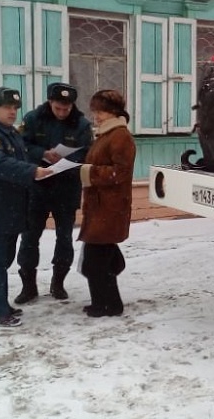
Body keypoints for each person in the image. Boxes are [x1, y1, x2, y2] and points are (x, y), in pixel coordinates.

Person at [0, 87, 52, 327]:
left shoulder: (9, 133)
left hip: (8, 210)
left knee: (3, 259)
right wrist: (33, 171)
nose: (13, 112)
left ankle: (1, 305)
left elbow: (18, 161)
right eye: (7, 107)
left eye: (15, 108)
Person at [14, 82, 93, 304]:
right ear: (50, 102)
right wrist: (42, 153)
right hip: (36, 187)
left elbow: (88, 152)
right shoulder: (33, 118)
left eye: (66, 109)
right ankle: (28, 286)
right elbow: (21, 145)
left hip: (66, 189)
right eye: (58, 108)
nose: (62, 112)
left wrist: (68, 160)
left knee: (64, 238)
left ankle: (58, 283)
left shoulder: (81, 124)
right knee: (29, 238)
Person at [77, 89, 136, 317]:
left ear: (113, 112)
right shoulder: (106, 134)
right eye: (95, 111)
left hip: (110, 208)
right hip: (100, 206)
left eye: (100, 111)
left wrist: (88, 172)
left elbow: (120, 172)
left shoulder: (120, 136)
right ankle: (108, 302)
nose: (96, 116)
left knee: (95, 260)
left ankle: (106, 305)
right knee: (101, 257)